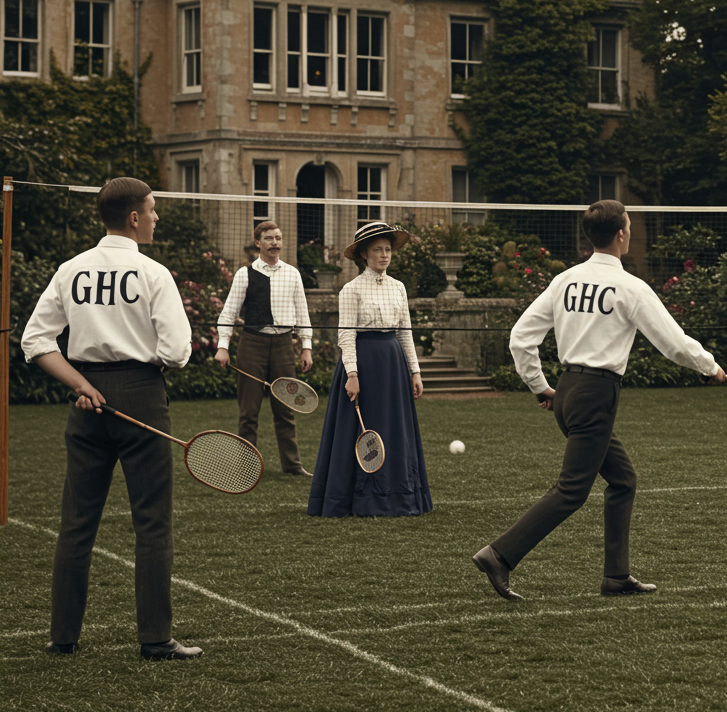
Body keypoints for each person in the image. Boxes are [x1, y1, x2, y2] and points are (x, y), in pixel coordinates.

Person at [471, 199, 726, 601]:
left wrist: (540, 386)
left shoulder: (565, 280)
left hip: (568, 391)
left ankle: (616, 576)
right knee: (571, 491)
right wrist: (710, 367)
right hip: (596, 395)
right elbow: (674, 344)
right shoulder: (630, 286)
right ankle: (499, 554)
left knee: (623, 480)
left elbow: (520, 337)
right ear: (621, 234)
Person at [20, 177, 202, 660]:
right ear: (135, 218)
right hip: (139, 394)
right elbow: (177, 353)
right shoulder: (153, 273)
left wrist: (81, 385)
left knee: (76, 523)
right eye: (153, 209)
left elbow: (35, 341)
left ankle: (63, 638)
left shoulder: (70, 269)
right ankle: (156, 639)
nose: (157, 217)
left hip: (86, 398)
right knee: (152, 523)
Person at [307, 221, 431, 517]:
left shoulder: (398, 288)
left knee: (394, 427)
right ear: (364, 255)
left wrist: (414, 371)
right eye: (377, 250)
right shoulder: (351, 290)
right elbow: (346, 336)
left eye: (388, 249)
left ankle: (400, 496)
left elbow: (405, 332)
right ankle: (357, 500)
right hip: (363, 367)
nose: (384, 255)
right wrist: (352, 375)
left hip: (393, 367)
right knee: (358, 430)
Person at [214, 220, 315, 476]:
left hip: (283, 345)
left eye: (278, 238)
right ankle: (247, 468)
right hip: (252, 343)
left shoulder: (292, 273)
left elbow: (302, 313)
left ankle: (292, 466)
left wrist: (306, 347)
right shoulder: (244, 274)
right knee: (249, 412)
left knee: (286, 409)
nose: (275, 243)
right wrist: (223, 346)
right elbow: (228, 313)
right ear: (258, 242)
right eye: (269, 238)